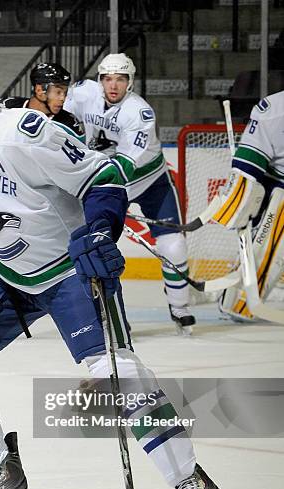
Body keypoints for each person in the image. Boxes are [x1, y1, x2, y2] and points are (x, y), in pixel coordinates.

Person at [0, 47, 231, 489]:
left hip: (71, 267)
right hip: (5, 271)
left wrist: (97, 232)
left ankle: (193, 483)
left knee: (117, 372)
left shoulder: (25, 133)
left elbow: (103, 178)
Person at [64, 53, 195, 334]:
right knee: (96, 249)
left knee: (174, 246)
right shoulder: (82, 93)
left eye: (120, 79)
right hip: (105, 182)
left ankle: (180, 306)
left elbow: (122, 167)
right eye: (108, 78)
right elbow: (55, 113)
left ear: (130, 82)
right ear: (99, 80)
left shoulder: (140, 113)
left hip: (147, 180)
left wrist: (81, 180)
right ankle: (106, 312)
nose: (113, 85)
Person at [0, 61, 84, 261]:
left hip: (42, 204)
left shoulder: (70, 124)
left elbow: (76, 168)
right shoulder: (7, 107)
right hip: (4, 195)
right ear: (40, 90)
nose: (63, 98)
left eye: (64, 92)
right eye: (58, 91)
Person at [212, 90, 284, 320]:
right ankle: (240, 297)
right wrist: (238, 203)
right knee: (266, 249)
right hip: (278, 185)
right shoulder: (274, 110)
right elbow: (249, 165)